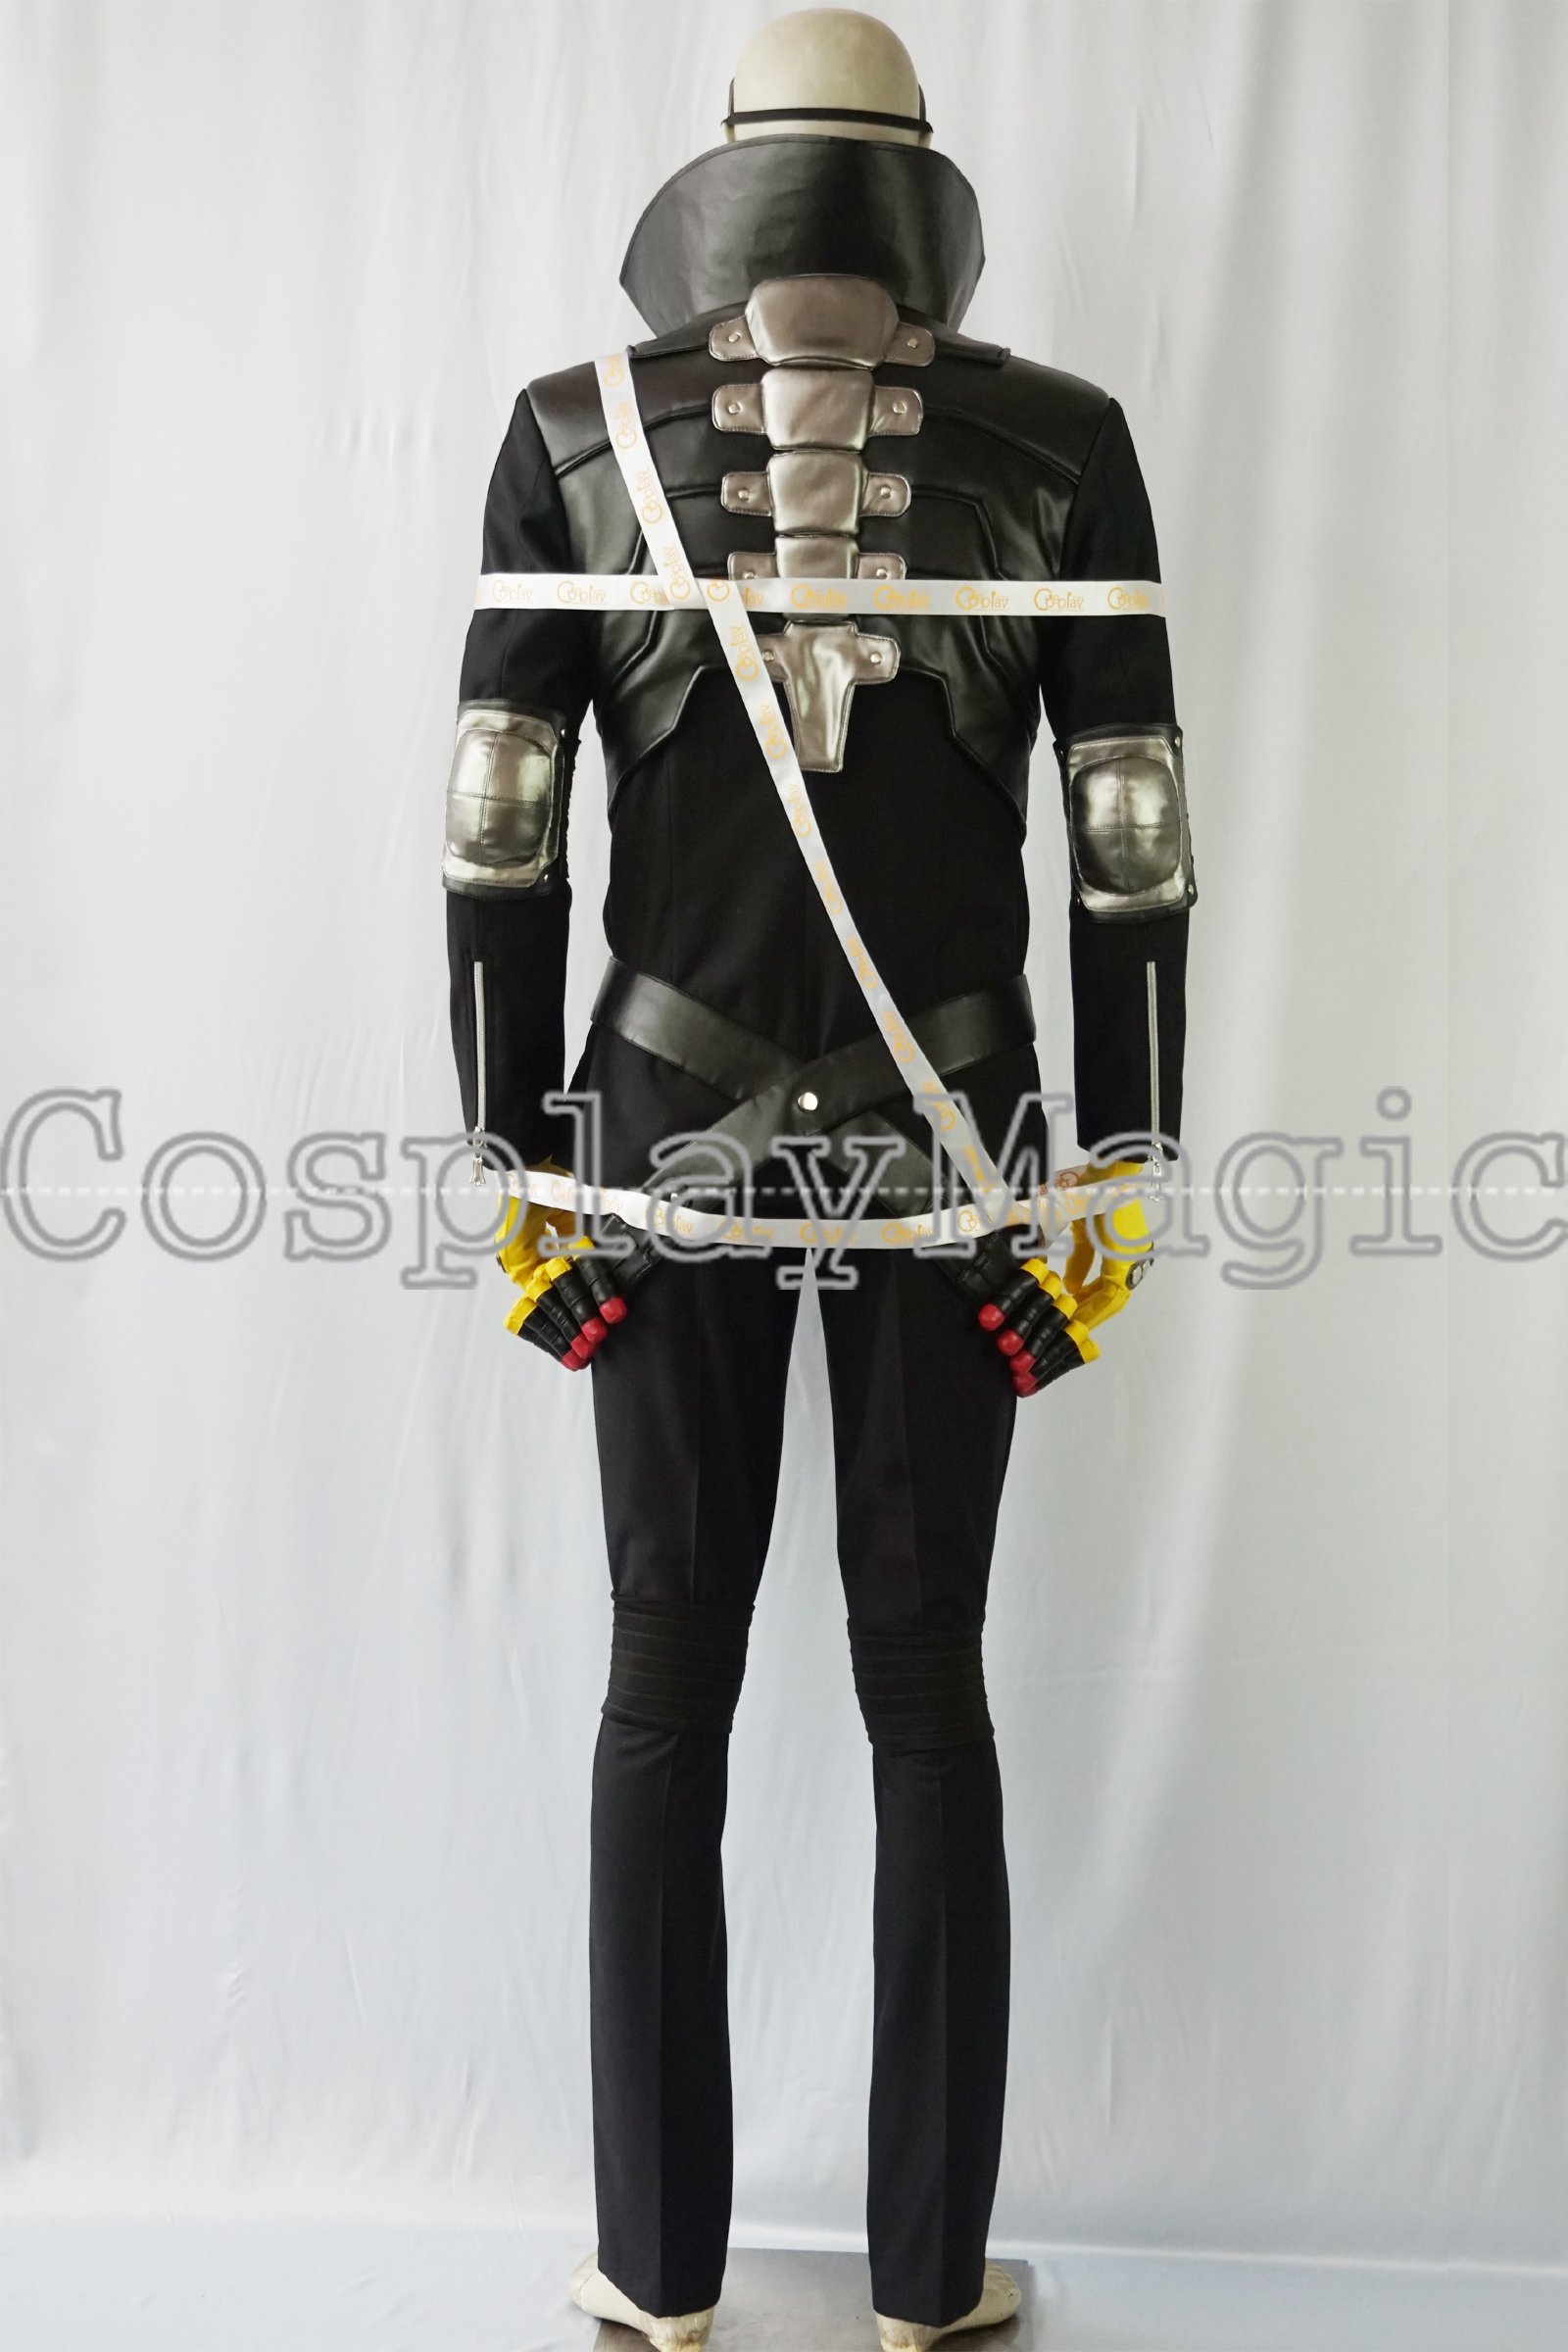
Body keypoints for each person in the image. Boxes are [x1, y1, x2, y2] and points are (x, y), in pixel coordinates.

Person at [440, 14, 1196, 2347]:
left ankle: (660, 2278)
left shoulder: (571, 435)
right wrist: (1119, 1166)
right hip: (959, 1149)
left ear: (725, 168)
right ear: (918, 171)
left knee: (662, 1678)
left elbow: (495, 827)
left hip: (644, 1150)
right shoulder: (1061, 444)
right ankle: (917, 2285)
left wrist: (512, 1156)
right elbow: (1127, 840)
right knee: (924, 1688)